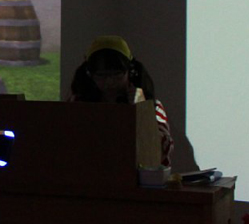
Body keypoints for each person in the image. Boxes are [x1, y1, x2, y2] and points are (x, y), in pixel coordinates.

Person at [68, 35, 173, 167]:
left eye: (116, 74)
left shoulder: (153, 106)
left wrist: (142, 109)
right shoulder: (77, 103)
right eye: (101, 75)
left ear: (131, 72)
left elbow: (160, 150)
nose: (109, 82)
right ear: (89, 75)